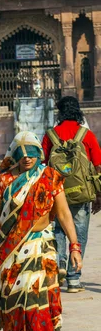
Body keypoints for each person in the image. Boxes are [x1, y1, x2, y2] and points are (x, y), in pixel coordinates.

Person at [0, 131, 82, 331]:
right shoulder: (4, 181)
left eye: (32, 153)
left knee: (36, 302)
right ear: (14, 155)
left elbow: (64, 214)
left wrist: (74, 245)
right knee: (15, 306)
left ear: (39, 154)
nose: (27, 159)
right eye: (21, 154)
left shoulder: (49, 177)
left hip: (40, 246)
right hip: (10, 252)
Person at [42, 96, 101, 292]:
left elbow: (42, 165)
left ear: (59, 112)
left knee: (58, 229)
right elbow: (98, 166)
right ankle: (74, 279)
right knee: (80, 233)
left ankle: (59, 263)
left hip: (56, 192)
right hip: (82, 193)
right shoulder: (86, 135)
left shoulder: (50, 135)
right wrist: (98, 195)